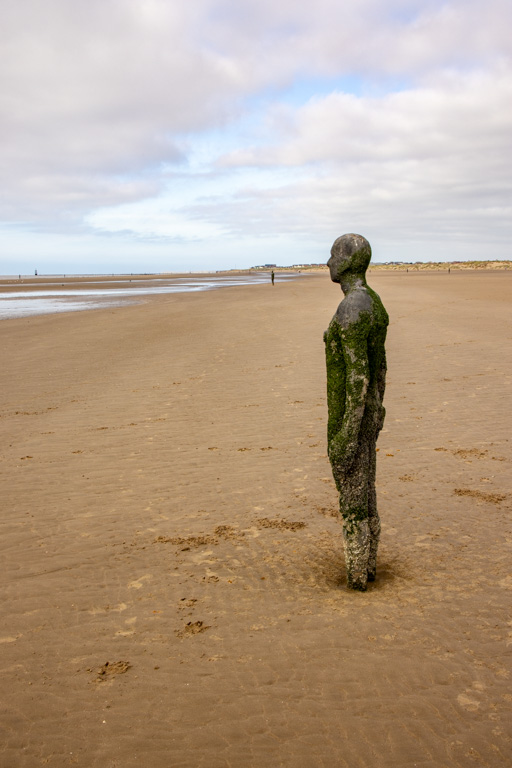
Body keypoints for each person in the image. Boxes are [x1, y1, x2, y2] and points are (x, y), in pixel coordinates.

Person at [324, 234, 389, 590]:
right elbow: (380, 370)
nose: (328, 261)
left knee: (353, 502)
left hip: (351, 418)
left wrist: (346, 435)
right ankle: (369, 566)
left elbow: (358, 376)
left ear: (349, 262)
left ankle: (357, 576)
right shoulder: (374, 304)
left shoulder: (351, 308)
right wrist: (378, 409)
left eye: (334, 254)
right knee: (367, 494)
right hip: (369, 416)